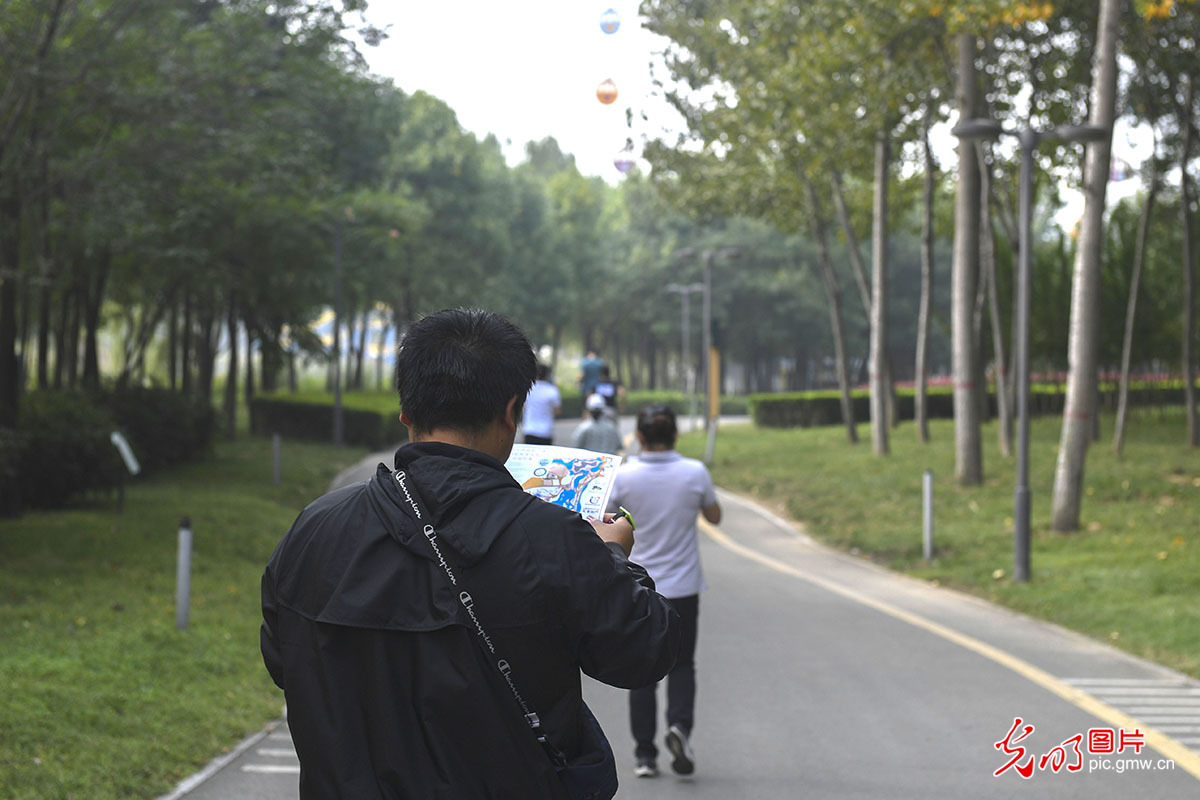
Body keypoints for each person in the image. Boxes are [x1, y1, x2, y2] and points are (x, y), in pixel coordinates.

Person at [261, 308, 680, 799]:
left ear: (406, 411)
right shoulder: (552, 537)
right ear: (511, 412)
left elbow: (283, 660)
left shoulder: (316, 528)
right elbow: (643, 651)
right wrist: (613, 556)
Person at [606, 404, 721, 780]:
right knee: (683, 663)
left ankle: (644, 755)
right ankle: (680, 729)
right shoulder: (694, 472)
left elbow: (601, 521)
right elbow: (715, 516)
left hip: (637, 586)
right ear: (675, 435)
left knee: (643, 672)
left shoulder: (623, 477)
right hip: (684, 588)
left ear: (638, 436)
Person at [523, 363, 561, 444]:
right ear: (548, 375)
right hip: (546, 431)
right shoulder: (553, 390)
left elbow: (523, 407)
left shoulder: (528, 389)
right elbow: (557, 411)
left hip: (529, 429)